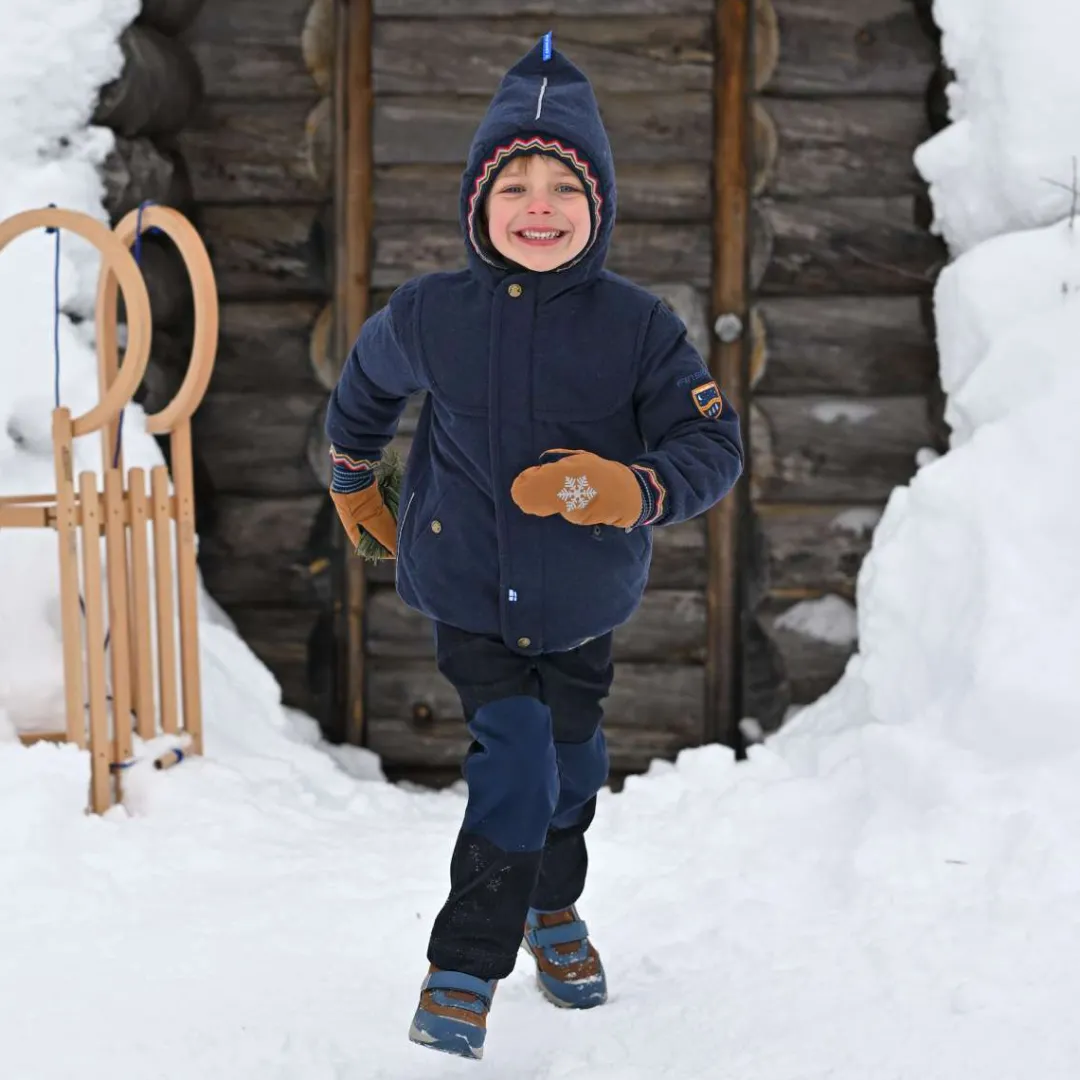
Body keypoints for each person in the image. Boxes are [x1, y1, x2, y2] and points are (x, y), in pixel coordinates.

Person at [324, 32, 744, 1061]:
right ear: (479, 202)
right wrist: (353, 474)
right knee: (514, 761)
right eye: (516, 183)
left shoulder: (640, 329)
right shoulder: (431, 313)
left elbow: (714, 443)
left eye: (565, 185)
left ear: (597, 207)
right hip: (465, 586)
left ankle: (555, 909)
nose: (540, 206)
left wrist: (636, 488)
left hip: (583, 595)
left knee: (571, 768)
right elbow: (364, 391)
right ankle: (464, 967)